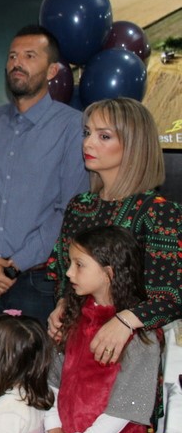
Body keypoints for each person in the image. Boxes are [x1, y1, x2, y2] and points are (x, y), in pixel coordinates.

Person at [0, 24, 89, 414]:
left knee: (35, 390)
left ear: (52, 70)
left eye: (30, 56)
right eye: (13, 56)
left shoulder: (71, 128)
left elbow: (68, 210)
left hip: (37, 283)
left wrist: (14, 264)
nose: (18, 63)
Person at [47, 98, 182, 363]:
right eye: (87, 133)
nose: (88, 143)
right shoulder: (79, 206)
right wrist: (62, 306)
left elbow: (172, 297)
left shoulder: (158, 212)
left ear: (134, 145)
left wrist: (125, 321)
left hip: (132, 354)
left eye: (104, 136)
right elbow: (65, 275)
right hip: (77, 346)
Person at [46, 226, 160, 433]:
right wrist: (54, 429)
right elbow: (55, 380)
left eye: (79, 265)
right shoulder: (73, 316)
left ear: (109, 272)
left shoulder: (140, 336)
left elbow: (127, 406)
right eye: (70, 263)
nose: (69, 272)